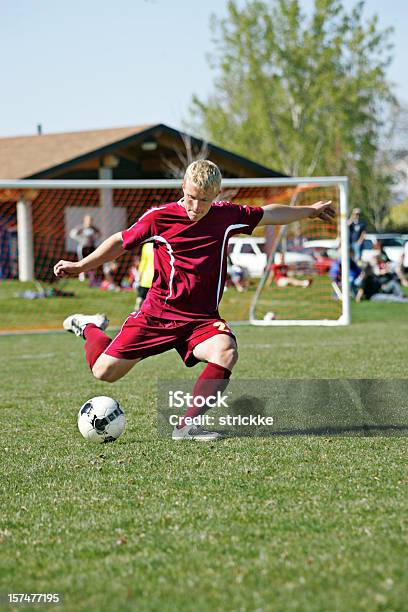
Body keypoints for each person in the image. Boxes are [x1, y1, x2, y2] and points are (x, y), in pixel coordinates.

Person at [54, 160, 335, 441]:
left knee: (226, 351)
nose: (195, 206)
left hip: (201, 319)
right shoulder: (159, 218)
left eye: (204, 200)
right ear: (182, 188)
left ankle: (186, 427)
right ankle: (89, 326)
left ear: (216, 196)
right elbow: (120, 241)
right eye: (190, 197)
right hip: (158, 314)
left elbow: (269, 214)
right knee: (104, 372)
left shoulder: (227, 216)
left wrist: (310, 211)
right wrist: (81, 267)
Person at [69, 214, 101, 282]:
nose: (89, 222)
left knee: (92, 260)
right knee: (82, 260)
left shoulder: (93, 228)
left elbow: (99, 234)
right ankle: (82, 275)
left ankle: (92, 276)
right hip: (83, 247)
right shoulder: (81, 228)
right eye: (88, 220)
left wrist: (94, 239)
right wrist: (80, 239)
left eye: (90, 220)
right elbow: (72, 234)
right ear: (85, 220)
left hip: (91, 246)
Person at [135, 242, 155, 310]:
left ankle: (136, 313)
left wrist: (138, 277)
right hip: (156, 278)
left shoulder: (146, 246)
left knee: (140, 298)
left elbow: (143, 263)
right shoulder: (162, 246)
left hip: (145, 278)